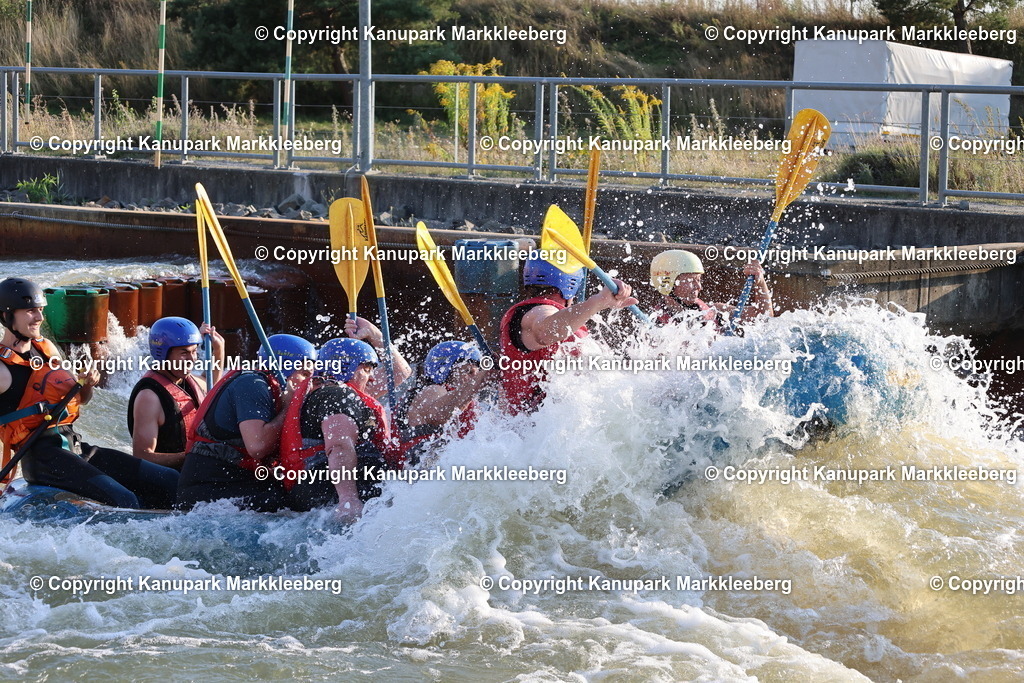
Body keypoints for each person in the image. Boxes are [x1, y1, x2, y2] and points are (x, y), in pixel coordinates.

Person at [0, 278, 179, 508]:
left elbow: (81, 400)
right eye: (31, 311)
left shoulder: (46, 349)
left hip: (75, 447)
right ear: (7, 315)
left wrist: (86, 384)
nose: (40, 318)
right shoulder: (2, 369)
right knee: (125, 500)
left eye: (41, 310)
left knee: (168, 480)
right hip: (44, 460)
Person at [174, 333, 315, 512]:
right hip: (206, 492)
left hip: (236, 481)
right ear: (284, 367)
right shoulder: (253, 384)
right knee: (289, 504)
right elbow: (258, 446)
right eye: (305, 374)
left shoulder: (272, 388)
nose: (308, 382)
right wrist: (289, 407)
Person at [279, 335, 409, 521]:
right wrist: (349, 499)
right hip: (331, 492)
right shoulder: (336, 396)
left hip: (313, 491)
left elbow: (400, 373)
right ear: (347, 368)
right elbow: (339, 445)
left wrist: (373, 334)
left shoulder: (330, 391)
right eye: (367, 369)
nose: (372, 377)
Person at [499, 256, 637, 415]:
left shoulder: (543, 311)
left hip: (545, 426)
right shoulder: (538, 311)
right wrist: (598, 302)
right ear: (570, 285)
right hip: (536, 428)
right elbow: (546, 332)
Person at [127, 316, 225, 469]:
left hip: (192, 471)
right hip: (168, 479)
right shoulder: (149, 398)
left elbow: (209, 382)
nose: (191, 359)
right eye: (184, 353)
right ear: (163, 354)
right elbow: (142, 456)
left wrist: (219, 349)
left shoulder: (184, 378)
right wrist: (194, 455)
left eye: (194, 352)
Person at [395, 341, 488, 467]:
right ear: (445, 370)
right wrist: (482, 378)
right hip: (420, 465)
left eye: (477, 373)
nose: (474, 377)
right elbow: (438, 415)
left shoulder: (469, 402)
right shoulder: (432, 390)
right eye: (468, 371)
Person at [649, 250, 774, 329]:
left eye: (698, 280)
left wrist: (760, 282)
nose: (699, 287)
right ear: (668, 283)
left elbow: (763, 317)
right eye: (691, 280)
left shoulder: (716, 311)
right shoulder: (654, 326)